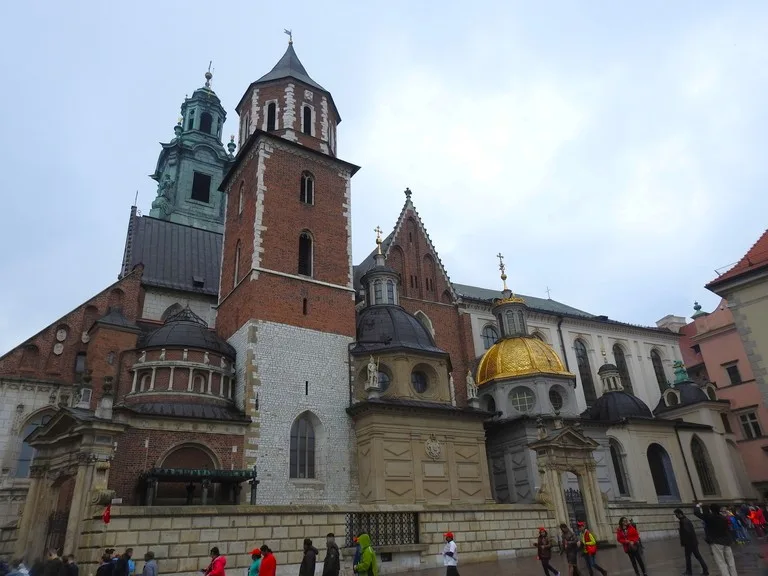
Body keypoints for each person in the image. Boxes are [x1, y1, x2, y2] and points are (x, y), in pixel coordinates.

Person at [694, 503, 737, 576]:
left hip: (716, 541)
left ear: (711, 510)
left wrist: (697, 506)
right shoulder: (723, 518)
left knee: (721, 561)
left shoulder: (709, 517)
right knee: (730, 561)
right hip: (726, 541)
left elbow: (697, 513)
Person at [674, 508, 708, 576]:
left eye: (676, 515)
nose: (676, 516)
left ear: (679, 514)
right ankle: (704, 570)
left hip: (689, 543)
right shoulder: (685, 520)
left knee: (691, 557)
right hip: (692, 542)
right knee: (696, 557)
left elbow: (688, 532)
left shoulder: (684, 521)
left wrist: (685, 541)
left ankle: (690, 571)